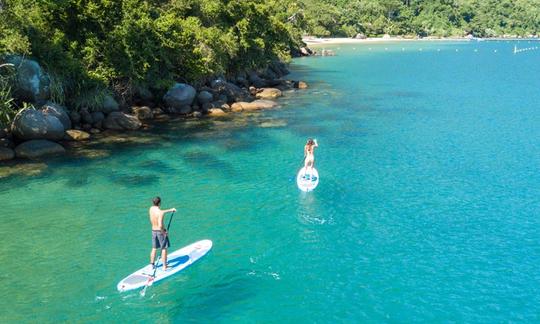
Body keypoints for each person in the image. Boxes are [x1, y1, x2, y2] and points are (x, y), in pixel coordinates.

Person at [149, 197, 176, 270]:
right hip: (160, 231)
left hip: (153, 230)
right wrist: (164, 232)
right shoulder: (160, 213)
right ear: (160, 203)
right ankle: (164, 266)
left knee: (154, 248)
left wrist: (170, 210)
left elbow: (162, 211)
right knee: (164, 248)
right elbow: (160, 225)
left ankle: (152, 264)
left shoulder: (151, 209)